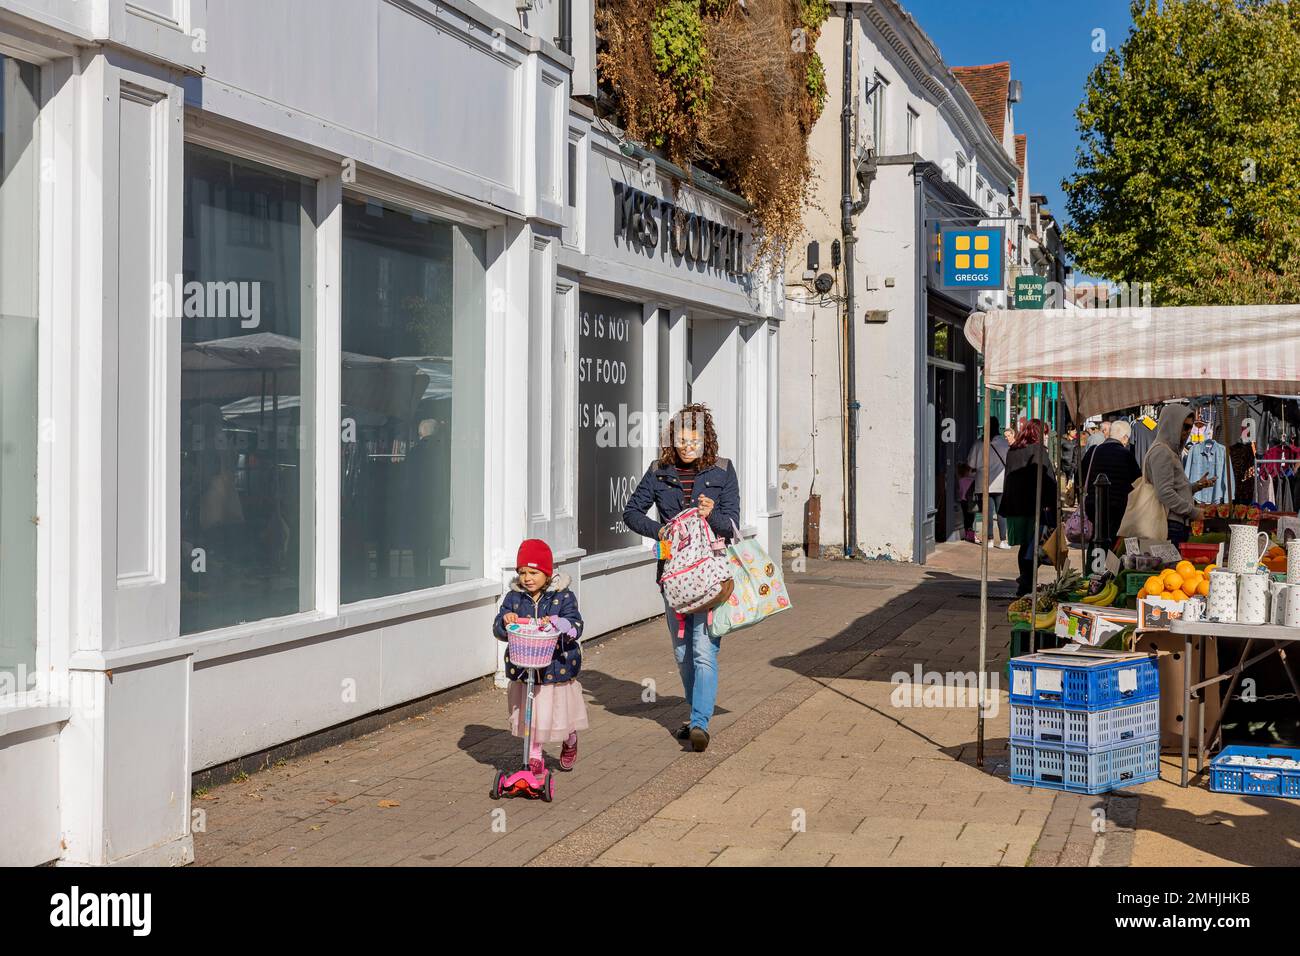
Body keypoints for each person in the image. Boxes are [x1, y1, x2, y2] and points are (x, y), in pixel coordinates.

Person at [624, 403, 740, 753]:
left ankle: (700, 724)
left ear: (706, 440)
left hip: (711, 576)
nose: (688, 447)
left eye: (695, 440)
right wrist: (661, 531)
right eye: (681, 440)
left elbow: (732, 526)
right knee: (681, 653)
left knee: (704, 649)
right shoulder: (658, 471)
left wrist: (712, 514)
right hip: (673, 576)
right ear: (672, 440)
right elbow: (630, 512)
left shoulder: (723, 471)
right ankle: (695, 714)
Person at [493, 539, 588, 773]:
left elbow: (576, 626)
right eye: (522, 572)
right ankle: (534, 755)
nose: (527, 578)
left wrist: (559, 623)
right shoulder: (514, 598)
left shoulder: (563, 596)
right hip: (526, 667)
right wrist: (507, 622)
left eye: (533, 572)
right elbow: (498, 628)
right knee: (532, 714)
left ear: (547, 573)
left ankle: (570, 740)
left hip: (556, 667)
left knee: (559, 714)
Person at [1000, 419, 1058, 597]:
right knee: (1034, 547)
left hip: (1015, 505)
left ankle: (1025, 580)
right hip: (1034, 506)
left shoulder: (1013, 451)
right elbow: (1048, 481)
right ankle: (1026, 582)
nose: (1046, 436)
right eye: (1045, 433)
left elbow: (1009, 477)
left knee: (1026, 545)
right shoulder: (1039, 451)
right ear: (1038, 433)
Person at [1145, 403, 1211, 545]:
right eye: (1185, 427)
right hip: (1169, 524)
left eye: (1190, 427)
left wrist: (1197, 486)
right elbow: (1164, 492)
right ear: (1172, 424)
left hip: (1174, 522)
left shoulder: (1170, 451)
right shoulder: (1162, 452)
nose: (1188, 432)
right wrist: (1193, 511)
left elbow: (1174, 488)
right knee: (1172, 567)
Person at [1078, 418, 1141, 548]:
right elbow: (1138, 481)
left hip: (1093, 504)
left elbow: (1080, 474)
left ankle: (1093, 566)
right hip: (1117, 507)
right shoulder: (1126, 455)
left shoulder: (1093, 451)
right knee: (1112, 541)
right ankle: (1108, 566)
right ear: (1124, 438)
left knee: (1096, 538)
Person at [965, 417, 1010, 548]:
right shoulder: (1004, 443)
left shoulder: (978, 443)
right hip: (1000, 482)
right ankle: (1003, 540)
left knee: (987, 512)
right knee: (1001, 512)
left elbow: (970, 463)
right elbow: (1009, 461)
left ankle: (989, 539)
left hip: (983, 482)